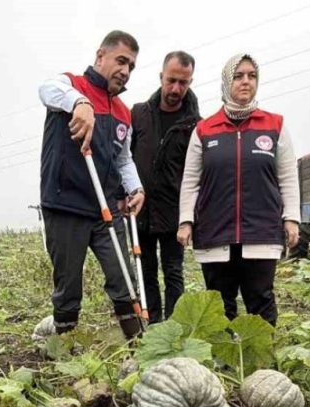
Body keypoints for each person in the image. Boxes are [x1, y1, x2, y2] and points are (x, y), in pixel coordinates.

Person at [38, 30, 146, 339]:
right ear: (101, 56)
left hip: (107, 210)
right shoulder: (71, 85)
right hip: (66, 204)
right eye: (121, 61)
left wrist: (135, 188)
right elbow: (45, 88)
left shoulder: (123, 112)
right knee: (68, 286)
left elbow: (123, 160)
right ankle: (64, 352)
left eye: (131, 66)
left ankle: (137, 347)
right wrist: (79, 102)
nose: (125, 71)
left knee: (123, 277)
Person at [177, 54, 300, 326]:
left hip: (261, 230)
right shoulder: (204, 129)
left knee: (261, 300)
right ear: (226, 81)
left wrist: (291, 217)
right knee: (220, 305)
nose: (246, 81)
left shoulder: (274, 125)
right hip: (215, 229)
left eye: (251, 76)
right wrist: (186, 221)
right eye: (238, 76)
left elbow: (288, 176)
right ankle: (223, 360)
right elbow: (191, 180)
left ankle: (262, 361)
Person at [131, 51, 200, 323]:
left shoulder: (196, 125)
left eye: (183, 83)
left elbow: (197, 175)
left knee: (173, 272)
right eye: (171, 80)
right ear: (161, 76)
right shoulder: (138, 114)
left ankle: (173, 327)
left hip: (174, 212)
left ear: (190, 82)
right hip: (141, 211)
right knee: (145, 270)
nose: (176, 89)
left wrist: (190, 218)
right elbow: (125, 157)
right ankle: (152, 324)